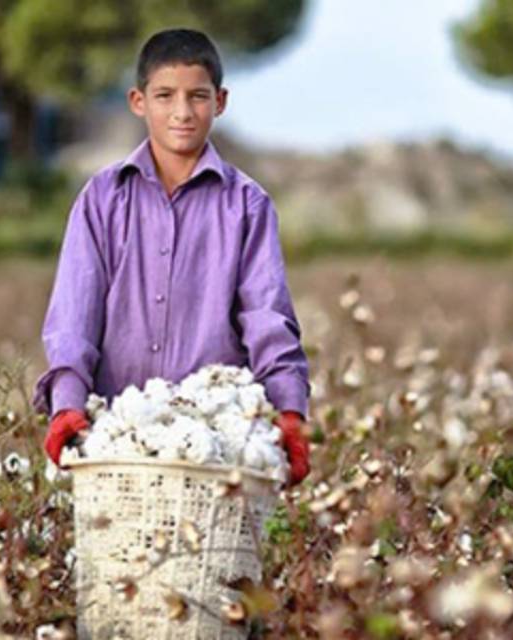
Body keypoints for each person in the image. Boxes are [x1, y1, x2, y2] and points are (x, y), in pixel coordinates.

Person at [32, 28, 311, 485]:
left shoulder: (246, 205)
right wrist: (67, 403)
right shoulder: (102, 198)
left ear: (219, 102)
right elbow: (73, 315)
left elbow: (267, 317)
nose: (182, 112)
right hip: (115, 435)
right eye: (165, 95)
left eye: (197, 96)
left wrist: (289, 411)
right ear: (138, 101)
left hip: (216, 441)